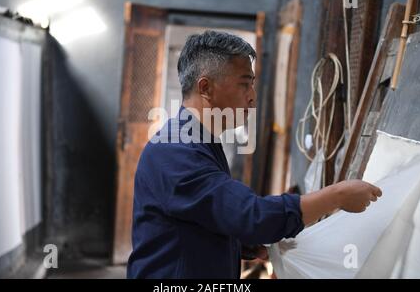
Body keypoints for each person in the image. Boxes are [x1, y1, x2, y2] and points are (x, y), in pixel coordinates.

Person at [126, 30, 382, 278]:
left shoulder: (198, 140)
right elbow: (251, 216)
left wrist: (239, 245)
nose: (252, 98)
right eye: (244, 84)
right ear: (205, 87)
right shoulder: (176, 151)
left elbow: (201, 216)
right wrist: (337, 196)